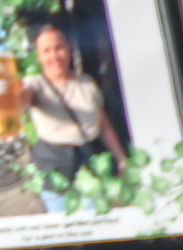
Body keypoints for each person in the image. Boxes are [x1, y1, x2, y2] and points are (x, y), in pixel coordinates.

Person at [21, 21, 128, 212]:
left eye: (59, 48)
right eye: (46, 51)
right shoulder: (35, 85)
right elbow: (19, 99)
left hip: (91, 166)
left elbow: (103, 125)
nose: (54, 56)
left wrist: (121, 158)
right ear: (38, 56)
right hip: (56, 173)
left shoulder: (86, 82)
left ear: (68, 49)